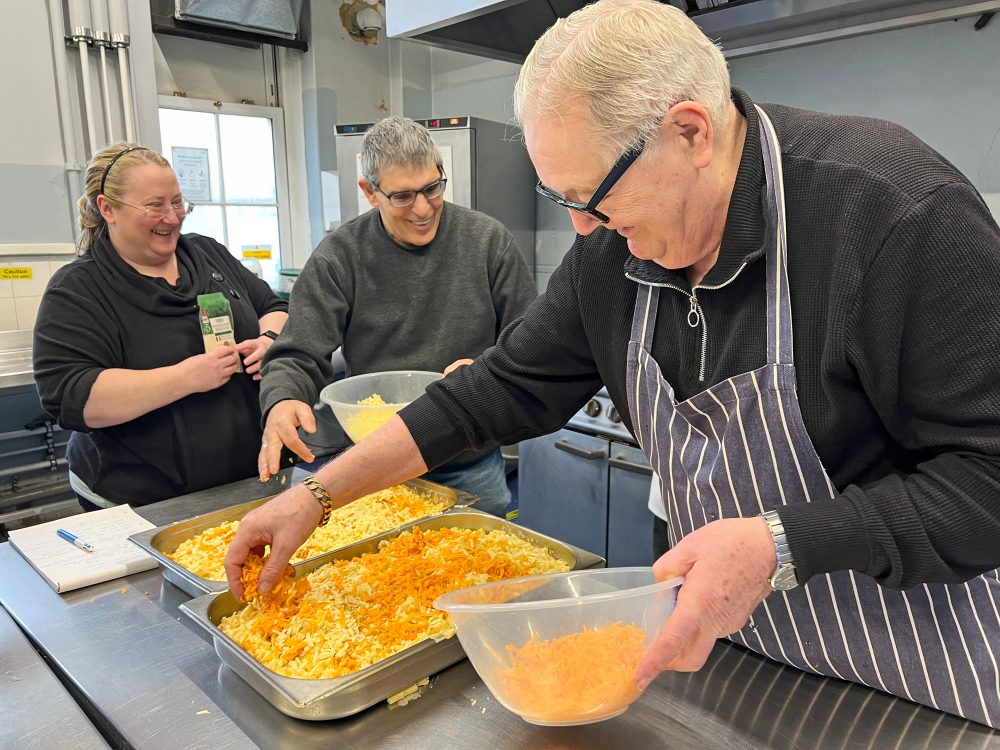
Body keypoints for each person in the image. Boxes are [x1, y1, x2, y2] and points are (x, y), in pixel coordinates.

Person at [225, 0, 1000, 729]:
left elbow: (988, 484)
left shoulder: (894, 211)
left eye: (591, 198)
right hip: (737, 660)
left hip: (925, 676)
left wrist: (780, 544)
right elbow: (491, 392)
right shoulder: (614, 253)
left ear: (690, 132)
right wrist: (320, 498)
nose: (580, 227)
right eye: (560, 195)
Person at [256, 116, 536, 517]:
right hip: (378, 467)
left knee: (482, 573)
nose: (423, 209)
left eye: (432, 188)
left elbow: (526, 342)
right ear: (370, 192)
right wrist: (282, 399)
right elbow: (296, 351)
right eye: (403, 196)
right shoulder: (341, 255)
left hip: (467, 462)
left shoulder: (487, 241)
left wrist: (485, 371)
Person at [33, 143, 288, 509]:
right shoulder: (79, 289)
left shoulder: (208, 254)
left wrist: (269, 340)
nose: (172, 218)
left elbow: (274, 306)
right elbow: (72, 395)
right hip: (140, 501)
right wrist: (186, 378)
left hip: (247, 481)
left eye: (178, 202)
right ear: (108, 209)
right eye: (155, 206)